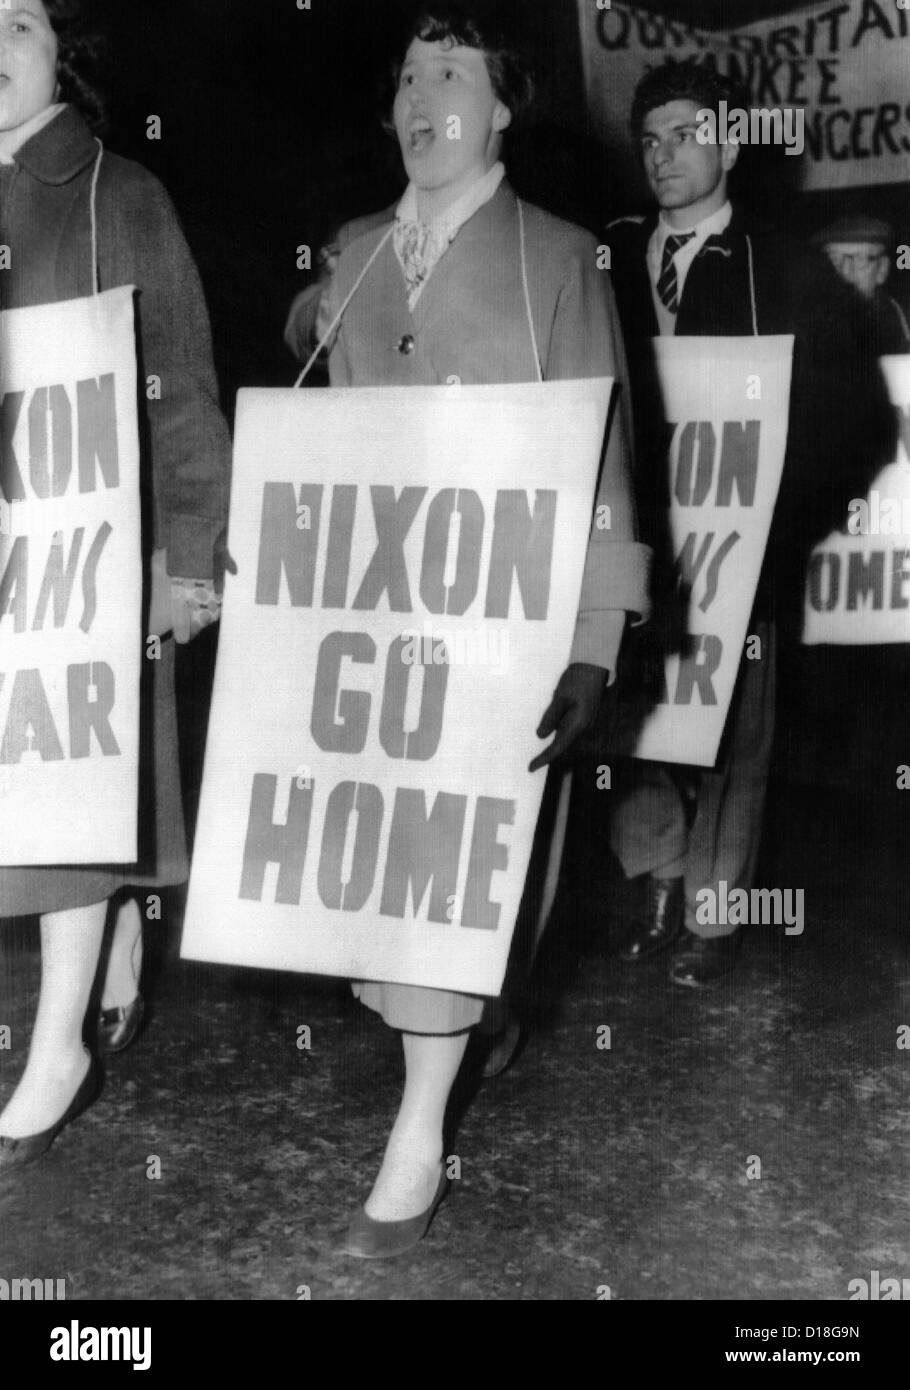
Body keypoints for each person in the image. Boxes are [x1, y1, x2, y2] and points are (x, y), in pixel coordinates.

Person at [302, 2, 649, 1256]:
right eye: (406, 73)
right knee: (391, 883)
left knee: (452, 886)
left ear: (501, 107)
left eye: (448, 72)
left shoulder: (555, 257)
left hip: (504, 633)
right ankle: (464, 1033)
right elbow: (313, 421)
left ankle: (416, 1129)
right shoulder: (344, 259)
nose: (418, 95)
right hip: (372, 631)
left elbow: (607, 455)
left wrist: (599, 636)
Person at [0, 0, 231, 1164]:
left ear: (65, 56)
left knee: (66, 782)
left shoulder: (117, 193)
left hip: (83, 561)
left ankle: (57, 1047)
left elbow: (182, 381)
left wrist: (190, 559)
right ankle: (120, 930)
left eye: (17, 22)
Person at [605, 60, 892, 989]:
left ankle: (712, 911)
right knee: (631, 718)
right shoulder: (604, 255)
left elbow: (859, 418)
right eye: (650, 140)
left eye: (686, 135)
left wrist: (786, 513)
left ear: (730, 143)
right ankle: (652, 870)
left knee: (736, 736)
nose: (664, 156)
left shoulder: (785, 268)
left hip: (742, 549)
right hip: (636, 542)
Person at [811, 215, 910, 357]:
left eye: (860, 259)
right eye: (834, 259)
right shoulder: (805, 324)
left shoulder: (902, 322)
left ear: (882, 269)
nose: (845, 271)